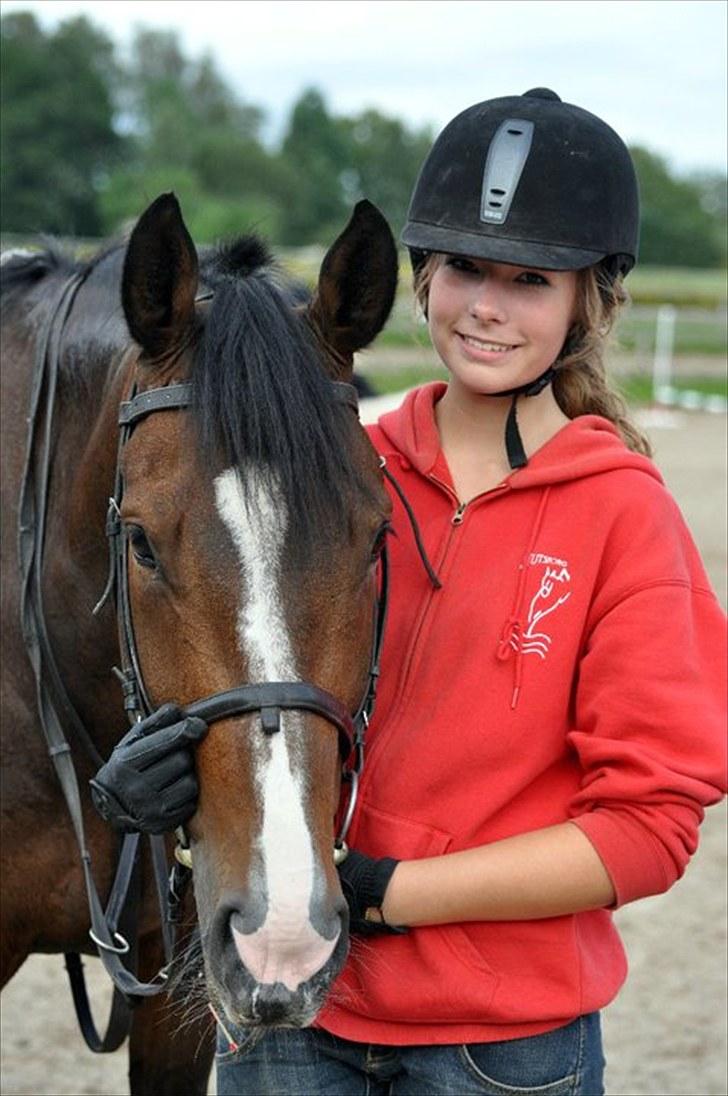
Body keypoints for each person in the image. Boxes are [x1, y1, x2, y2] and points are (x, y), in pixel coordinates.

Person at [91, 88, 727, 1095]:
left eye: (527, 279)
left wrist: (388, 895)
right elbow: (244, 681)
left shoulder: (621, 515)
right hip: (291, 1025)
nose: (484, 305)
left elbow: (646, 828)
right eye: (463, 268)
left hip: (501, 1045)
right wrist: (153, 792)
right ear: (418, 277)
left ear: (586, 301)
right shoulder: (334, 480)